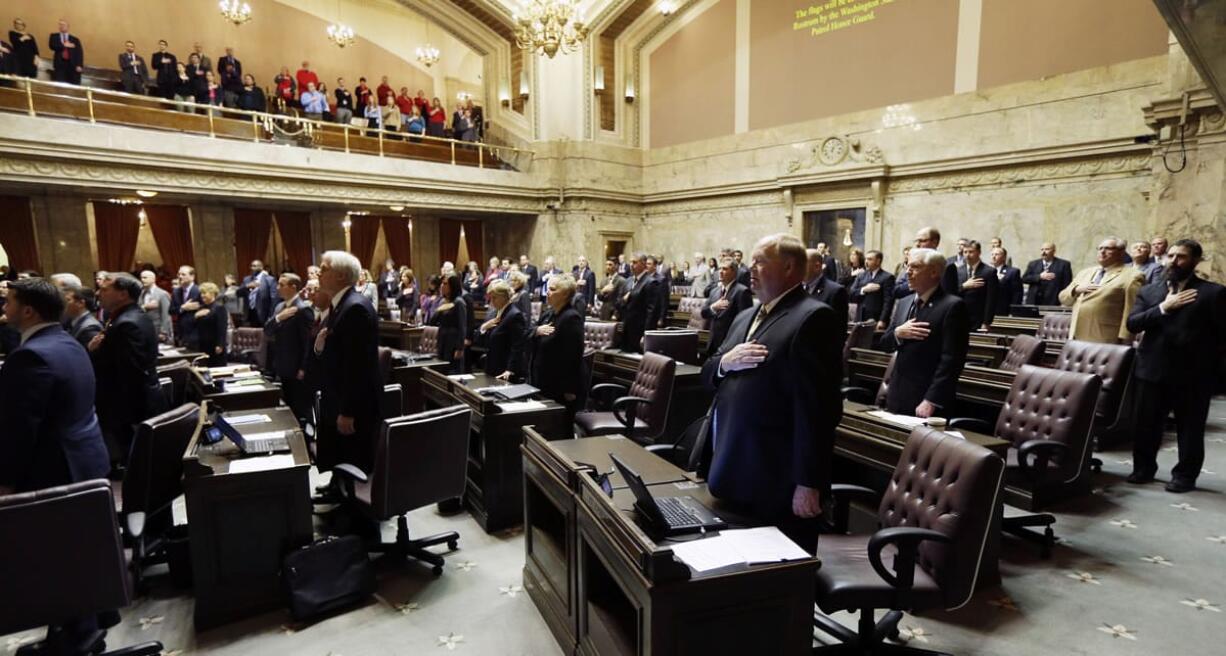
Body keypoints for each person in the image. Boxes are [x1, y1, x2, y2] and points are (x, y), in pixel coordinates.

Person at [700, 234, 842, 553]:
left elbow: (819, 409)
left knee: (782, 576)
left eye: (760, 261)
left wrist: (809, 482)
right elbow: (707, 374)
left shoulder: (813, 317)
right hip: (732, 461)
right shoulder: (744, 316)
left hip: (775, 476)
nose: (749, 268)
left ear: (790, 267)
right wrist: (725, 362)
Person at [0, 278, 115, 654]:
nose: (4, 307)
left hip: (56, 466)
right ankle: (89, 624)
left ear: (29, 310)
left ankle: (76, 637)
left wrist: (7, 482)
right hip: (85, 455)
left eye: (9, 301)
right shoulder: (70, 343)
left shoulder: (29, 356)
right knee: (80, 547)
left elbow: (19, 429)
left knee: (60, 555)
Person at [1126, 239, 1226, 493]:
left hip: (1193, 374)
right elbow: (1133, 323)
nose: (1173, 261)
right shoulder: (1151, 291)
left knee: (1190, 429)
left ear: (1194, 261)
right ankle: (1143, 469)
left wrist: (1214, 376)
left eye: (1180, 257)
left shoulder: (1212, 293)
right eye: (1170, 256)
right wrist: (1163, 308)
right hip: (1152, 368)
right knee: (1146, 424)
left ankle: (1184, 475)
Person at [879, 248, 970, 418]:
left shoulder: (952, 306)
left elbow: (952, 361)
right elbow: (884, 343)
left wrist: (931, 400)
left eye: (915, 267)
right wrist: (898, 333)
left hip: (926, 401)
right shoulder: (905, 302)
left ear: (934, 272)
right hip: (897, 395)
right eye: (907, 266)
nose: (908, 272)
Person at [313, 251, 381, 475]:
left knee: (353, 458)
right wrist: (321, 348)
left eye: (324, 269)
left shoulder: (355, 308)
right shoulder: (340, 304)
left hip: (353, 403)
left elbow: (357, 366)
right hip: (338, 395)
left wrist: (348, 410)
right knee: (339, 452)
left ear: (341, 276)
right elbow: (339, 353)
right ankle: (338, 490)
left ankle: (351, 505)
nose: (318, 273)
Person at [88, 272, 165, 465]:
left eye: (105, 290)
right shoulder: (132, 315)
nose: (98, 293)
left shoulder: (127, 323)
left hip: (130, 409)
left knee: (137, 463)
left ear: (122, 294)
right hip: (136, 403)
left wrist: (94, 352)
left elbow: (130, 374)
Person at [1059, 237, 1145, 344]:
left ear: (1121, 252)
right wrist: (1076, 290)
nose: (1102, 252)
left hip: (1105, 337)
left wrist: (1125, 341)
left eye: (1108, 249)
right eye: (1100, 248)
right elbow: (1063, 298)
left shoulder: (1132, 276)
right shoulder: (1084, 273)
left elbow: (1131, 310)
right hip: (1076, 335)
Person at [530, 273, 585, 420]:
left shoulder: (571, 318)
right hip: (542, 380)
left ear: (565, 294)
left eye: (553, 289)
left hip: (559, 386)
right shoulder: (548, 314)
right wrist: (536, 331)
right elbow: (530, 334)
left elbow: (573, 356)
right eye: (548, 288)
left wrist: (569, 388)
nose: (548, 292)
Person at [266, 273, 314, 422]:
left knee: (300, 409)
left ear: (293, 287)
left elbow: (307, 343)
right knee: (288, 408)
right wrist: (279, 317)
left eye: (281, 285)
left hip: (296, 368)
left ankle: (306, 440)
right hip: (282, 364)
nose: (277, 288)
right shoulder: (280, 307)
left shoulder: (302, 309)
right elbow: (267, 330)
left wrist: (303, 368)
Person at [476, 280, 528, 381]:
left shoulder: (514, 315)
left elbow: (517, 346)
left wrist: (510, 369)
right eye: (490, 298)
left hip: (504, 369)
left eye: (494, 298)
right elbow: (480, 339)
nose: (491, 301)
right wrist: (483, 328)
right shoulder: (493, 313)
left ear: (504, 296)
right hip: (491, 365)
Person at [941, 239, 997, 331]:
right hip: (959, 316)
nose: (967, 255)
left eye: (971, 252)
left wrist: (986, 322)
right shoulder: (958, 271)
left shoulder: (989, 272)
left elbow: (991, 299)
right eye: (965, 252)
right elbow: (951, 293)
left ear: (979, 252)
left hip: (978, 317)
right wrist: (964, 286)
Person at [701, 258, 753, 356]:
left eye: (725, 269)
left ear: (734, 272)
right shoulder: (714, 291)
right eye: (720, 269)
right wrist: (713, 307)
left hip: (730, 344)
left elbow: (744, 322)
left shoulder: (742, 291)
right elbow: (703, 313)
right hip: (713, 343)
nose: (720, 272)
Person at [616, 253, 660, 353]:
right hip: (626, 330)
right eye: (630, 262)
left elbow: (651, 312)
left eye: (635, 262)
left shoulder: (651, 282)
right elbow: (618, 304)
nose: (631, 265)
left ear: (644, 264)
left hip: (639, 332)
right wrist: (624, 300)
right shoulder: (628, 281)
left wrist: (646, 335)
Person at [429, 272, 467, 373]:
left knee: (452, 371)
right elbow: (432, 322)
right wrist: (439, 309)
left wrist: (460, 348)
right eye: (442, 283)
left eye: (445, 284)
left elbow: (462, 327)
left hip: (453, 343)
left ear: (452, 286)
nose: (442, 286)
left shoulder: (459, 302)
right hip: (442, 341)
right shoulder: (443, 301)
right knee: (442, 370)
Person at [849, 250, 895, 328]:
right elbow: (852, 293)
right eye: (866, 259)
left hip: (876, 318)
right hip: (860, 316)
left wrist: (882, 320)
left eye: (870, 259)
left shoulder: (887, 277)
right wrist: (863, 290)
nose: (866, 262)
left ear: (878, 261)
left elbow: (888, 301)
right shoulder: (861, 275)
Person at [803, 249, 849, 324]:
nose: (798, 267)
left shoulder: (835, 291)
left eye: (803, 263)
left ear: (817, 266)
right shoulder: (796, 288)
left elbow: (838, 328)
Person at [193, 282, 229, 366]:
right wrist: (196, 316)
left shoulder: (219, 308)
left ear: (212, 293)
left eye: (204, 293)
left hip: (214, 345)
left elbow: (222, 327)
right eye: (201, 293)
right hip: (203, 344)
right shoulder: (201, 308)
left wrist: (220, 344)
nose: (202, 295)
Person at [170, 265, 202, 348]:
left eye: (183, 274)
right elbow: (171, 311)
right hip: (181, 334)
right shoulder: (176, 292)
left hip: (197, 333)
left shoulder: (200, 291)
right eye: (179, 274)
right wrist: (183, 307)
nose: (180, 277)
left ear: (192, 277)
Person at [63, 284, 103, 349]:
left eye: (68, 300)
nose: (63, 303)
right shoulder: (72, 321)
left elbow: (90, 355)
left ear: (81, 303)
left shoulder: (90, 327)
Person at [138, 270, 172, 342]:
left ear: (153, 279)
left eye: (145, 278)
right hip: (144, 330)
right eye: (141, 278)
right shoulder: (141, 294)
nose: (142, 280)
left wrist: (164, 332)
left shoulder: (162, 294)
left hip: (158, 330)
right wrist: (145, 306)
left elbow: (166, 315)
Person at [239, 260, 277, 326]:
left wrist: (271, 316)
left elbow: (274, 299)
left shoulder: (270, 280)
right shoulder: (246, 279)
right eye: (251, 266)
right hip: (249, 313)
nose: (252, 268)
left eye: (254, 266)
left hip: (263, 314)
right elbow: (238, 293)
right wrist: (247, 286)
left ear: (261, 267)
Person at [990, 247, 1024, 317]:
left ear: (1004, 257)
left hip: (1004, 310)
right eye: (992, 254)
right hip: (989, 310)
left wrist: (1013, 312)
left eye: (996, 254)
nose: (993, 257)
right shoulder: (987, 271)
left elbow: (1017, 294)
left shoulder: (1012, 272)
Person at [48, 19, 83, 85]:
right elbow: (52, 46)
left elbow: (79, 53)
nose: (62, 26)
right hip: (59, 64)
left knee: (71, 85)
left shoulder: (75, 39)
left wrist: (79, 65)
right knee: (59, 84)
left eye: (63, 25)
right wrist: (64, 45)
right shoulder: (54, 36)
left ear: (68, 26)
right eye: (60, 24)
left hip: (72, 65)